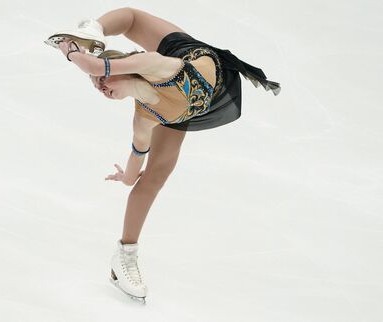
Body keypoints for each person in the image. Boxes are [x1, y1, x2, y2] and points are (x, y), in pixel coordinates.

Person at [45, 7, 281, 303]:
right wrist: (126, 176)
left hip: (190, 64)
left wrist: (71, 50)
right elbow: (135, 172)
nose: (100, 88)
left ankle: (92, 30)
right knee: (153, 179)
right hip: (178, 111)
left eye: (103, 81)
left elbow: (95, 67)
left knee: (130, 18)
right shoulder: (143, 119)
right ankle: (125, 257)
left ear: (122, 69)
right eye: (97, 87)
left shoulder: (154, 63)